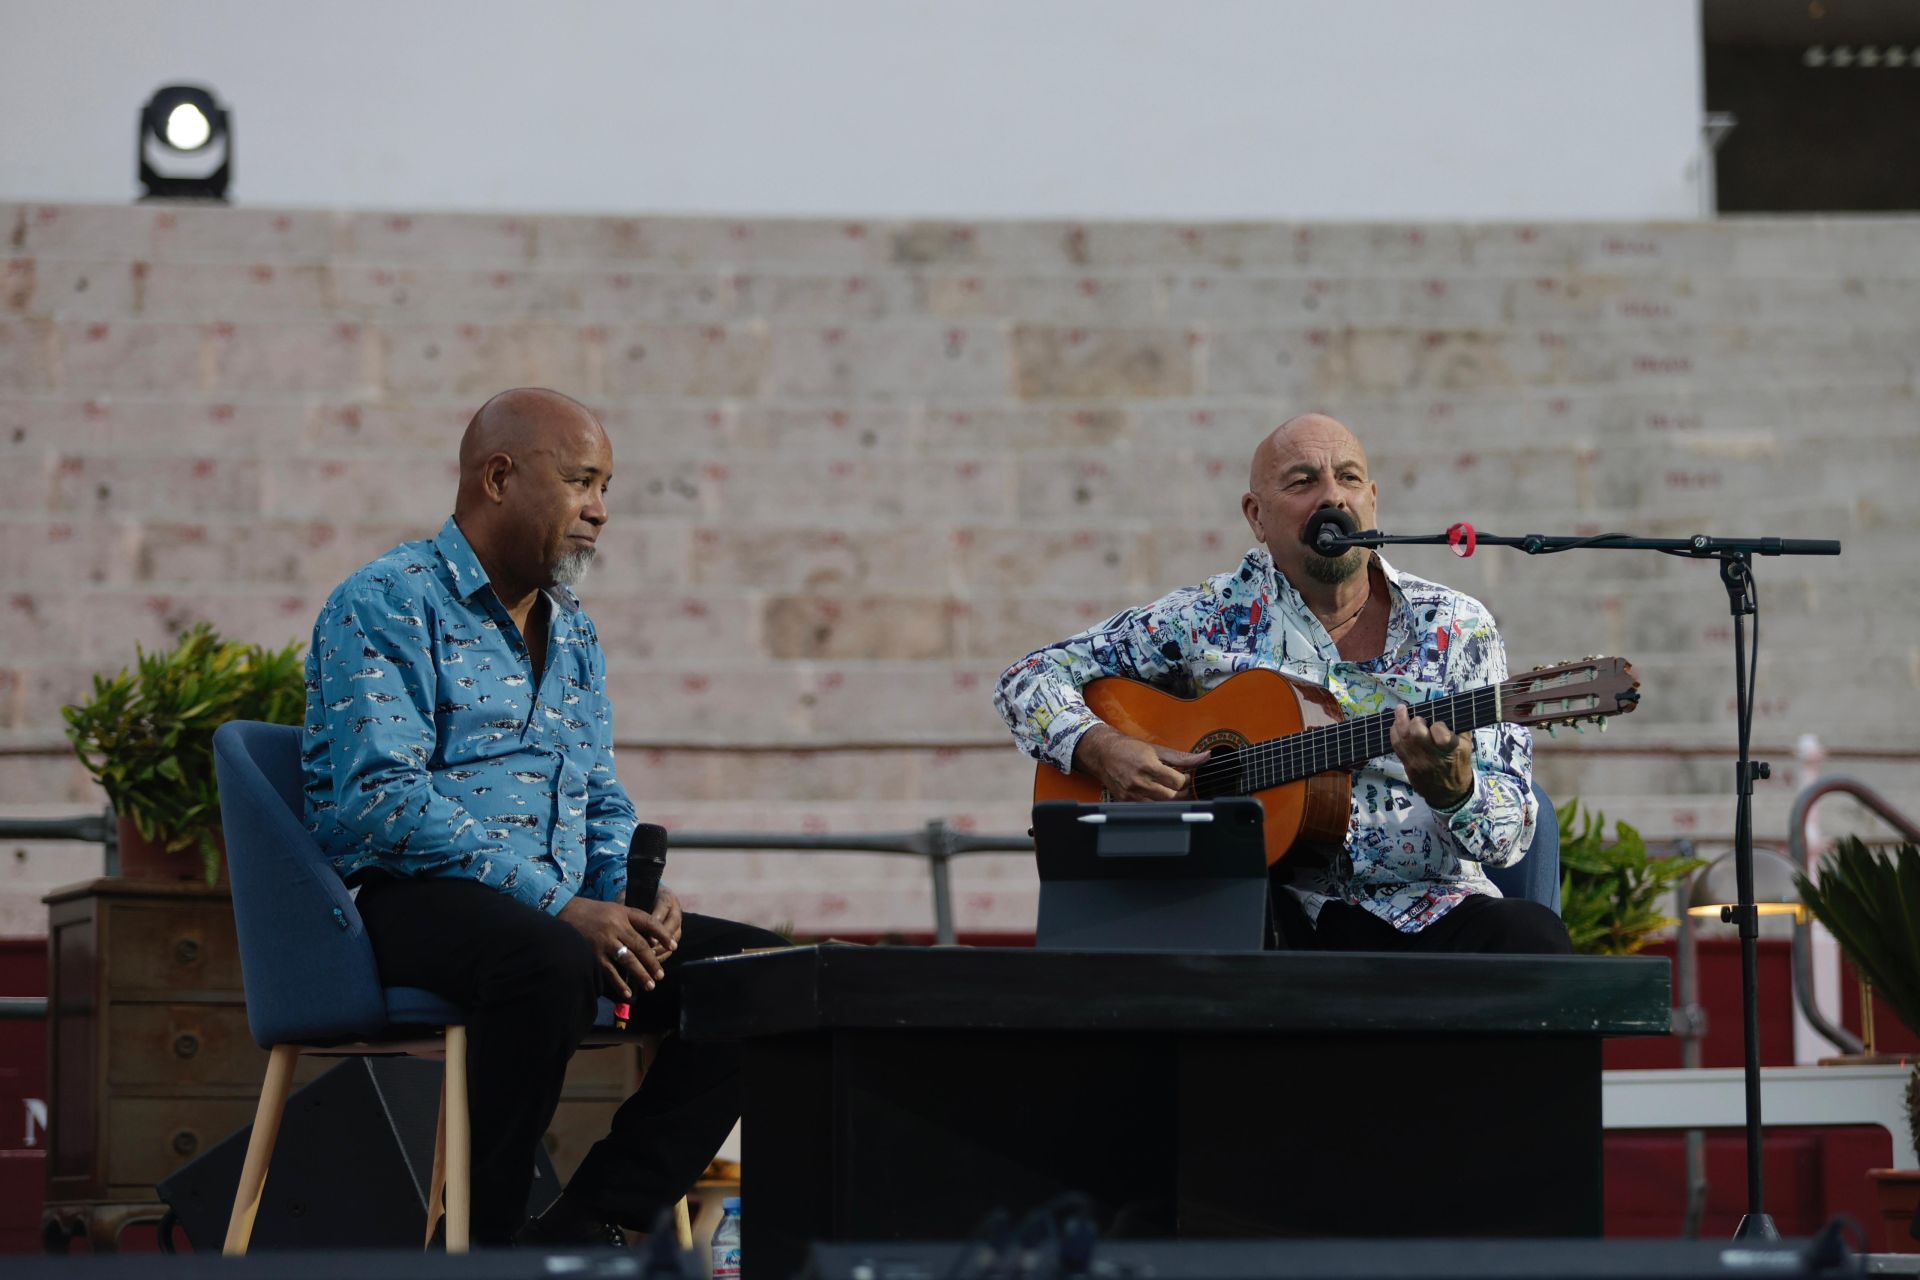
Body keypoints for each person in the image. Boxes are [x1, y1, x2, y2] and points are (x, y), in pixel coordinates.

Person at [302, 387, 784, 1246]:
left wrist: (624, 900)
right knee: (550, 961)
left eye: (607, 489)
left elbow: (597, 792)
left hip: (555, 913)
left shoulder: (575, 634)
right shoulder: (386, 601)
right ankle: (486, 1243)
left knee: (766, 973)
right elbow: (382, 798)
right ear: (499, 477)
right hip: (409, 898)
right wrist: (560, 905)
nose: (601, 512)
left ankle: (593, 1223)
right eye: (582, 482)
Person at [993, 413, 1570, 955]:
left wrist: (1456, 790)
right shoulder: (1211, 618)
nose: (1331, 497)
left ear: (1372, 501)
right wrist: (1104, 747)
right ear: (1256, 515)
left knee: (1532, 941)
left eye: (1348, 479)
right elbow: (1026, 679)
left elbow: (1510, 839)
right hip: (1265, 911)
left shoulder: (1457, 627)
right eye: (1303, 482)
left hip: (1426, 906)